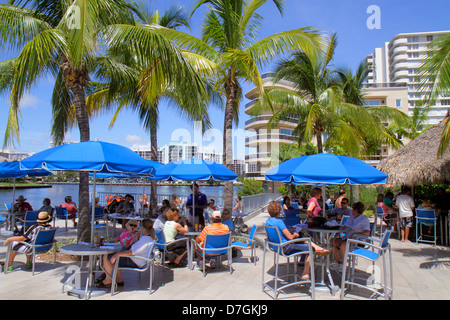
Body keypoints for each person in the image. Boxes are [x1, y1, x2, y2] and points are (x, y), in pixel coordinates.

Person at [265, 201, 330, 281]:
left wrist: (291, 231)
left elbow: (281, 233)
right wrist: (295, 234)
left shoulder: (268, 221)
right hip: (287, 247)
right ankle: (305, 273)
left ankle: (317, 247)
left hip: (277, 247)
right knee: (310, 249)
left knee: (302, 236)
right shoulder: (279, 222)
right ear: (279, 211)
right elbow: (291, 238)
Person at [96, 219, 156, 289]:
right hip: (138, 260)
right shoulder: (149, 238)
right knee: (115, 256)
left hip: (135, 261)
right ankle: (119, 280)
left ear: (142, 228)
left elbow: (132, 252)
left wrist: (117, 255)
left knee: (107, 256)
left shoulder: (145, 239)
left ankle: (108, 280)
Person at [332, 202, 371, 271]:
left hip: (358, 240)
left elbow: (367, 232)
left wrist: (355, 234)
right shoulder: (351, 217)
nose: (351, 211)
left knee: (343, 244)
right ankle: (338, 262)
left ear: (356, 210)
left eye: (353, 209)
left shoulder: (364, 220)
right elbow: (346, 226)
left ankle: (343, 265)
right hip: (348, 238)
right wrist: (338, 228)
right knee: (332, 242)